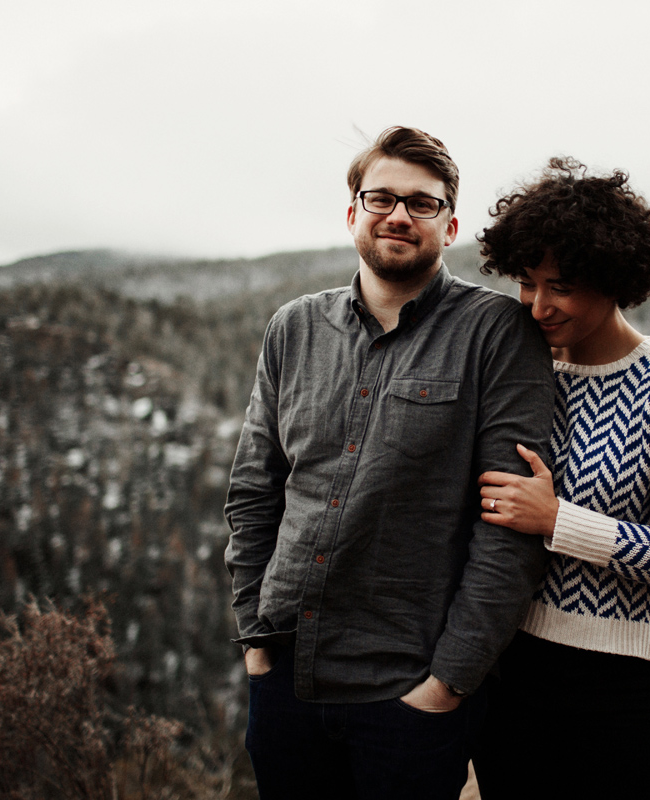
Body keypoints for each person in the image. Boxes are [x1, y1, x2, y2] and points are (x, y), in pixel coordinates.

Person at [223, 126, 555, 799]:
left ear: (450, 224)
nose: (398, 215)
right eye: (380, 198)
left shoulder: (496, 334)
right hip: (288, 678)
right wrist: (256, 641)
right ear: (353, 214)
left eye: (421, 203)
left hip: (407, 693)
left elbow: (509, 527)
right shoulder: (294, 327)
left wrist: (447, 683)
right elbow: (255, 490)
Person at [471, 157, 650, 799]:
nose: (536, 305)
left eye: (560, 285)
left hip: (621, 681)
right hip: (511, 668)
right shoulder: (525, 371)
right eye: (528, 282)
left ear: (614, 279)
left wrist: (558, 522)